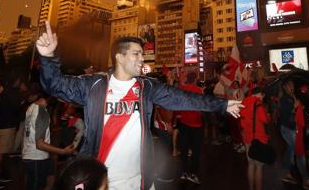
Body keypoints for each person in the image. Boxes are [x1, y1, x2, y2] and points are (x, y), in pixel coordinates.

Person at [36, 21, 243, 190]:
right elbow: (55, 85)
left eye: (142, 54)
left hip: (140, 179)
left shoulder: (147, 88)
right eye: (136, 54)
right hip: (101, 180)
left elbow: (182, 97)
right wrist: (47, 57)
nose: (142, 59)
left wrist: (221, 105)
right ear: (119, 56)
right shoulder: (94, 86)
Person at [22, 88, 76, 190]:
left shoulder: (32, 107)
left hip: (30, 155)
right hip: (36, 158)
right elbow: (40, 144)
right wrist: (63, 151)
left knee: (49, 177)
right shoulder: (42, 113)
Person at [0, 75, 23, 189]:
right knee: (0, 153)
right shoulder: (12, 93)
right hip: (7, 125)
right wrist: (24, 102)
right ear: (16, 81)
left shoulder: (4, 91)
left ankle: (0, 175)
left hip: (4, 123)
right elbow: (16, 107)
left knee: (4, 152)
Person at [240, 87, 269, 190]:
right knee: (259, 167)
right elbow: (265, 120)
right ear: (260, 94)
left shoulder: (244, 101)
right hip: (259, 138)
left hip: (248, 137)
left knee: (251, 165)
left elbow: (241, 118)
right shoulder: (258, 104)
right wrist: (267, 113)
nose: (262, 98)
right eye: (263, 96)